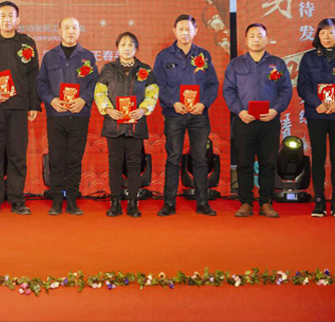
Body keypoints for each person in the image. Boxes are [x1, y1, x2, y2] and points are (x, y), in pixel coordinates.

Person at [0, 1, 41, 215]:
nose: (6, 19)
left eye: (11, 15)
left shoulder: (27, 43)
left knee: (17, 154)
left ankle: (17, 199)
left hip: (19, 107)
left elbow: (34, 75)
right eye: (2, 15)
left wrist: (34, 104)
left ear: (18, 20)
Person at [153, 15, 219, 217]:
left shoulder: (204, 55)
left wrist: (203, 103)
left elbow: (212, 85)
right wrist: (174, 102)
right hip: (174, 114)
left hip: (199, 115)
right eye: (181, 29)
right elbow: (158, 85)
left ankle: (202, 202)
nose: (184, 33)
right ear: (174, 31)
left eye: (188, 29)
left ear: (195, 31)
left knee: (200, 158)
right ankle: (169, 203)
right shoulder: (164, 57)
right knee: (173, 157)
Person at [223, 23, 292, 218]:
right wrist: (239, 111)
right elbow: (229, 90)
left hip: (269, 121)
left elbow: (286, 90)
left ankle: (266, 202)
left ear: (267, 39)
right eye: (252, 35)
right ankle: (245, 202)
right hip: (244, 121)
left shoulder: (277, 63)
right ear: (246, 40)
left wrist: (275, 110)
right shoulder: (236, 64)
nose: (256, 39)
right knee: (244, 163)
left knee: (268, 163)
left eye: (260, 35)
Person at [37, 17, 99, 215]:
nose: (70, 31)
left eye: (74, 28)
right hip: (56, 114)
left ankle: (72, 200)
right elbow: (41, 84)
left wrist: (83, 99)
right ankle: (56, 200)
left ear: (79, 31)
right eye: (66, 28)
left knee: (74, 159)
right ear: (59, 31)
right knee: (56, 158)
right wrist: (51, 100)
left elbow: (95, 84)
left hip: (79, 114)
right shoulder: (50, 57)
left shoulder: (87, 56)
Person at [94, 32, 159, 217]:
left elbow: (152, 92)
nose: (127, 48)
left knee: (134, 163)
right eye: (123, 45)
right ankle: (115, 202)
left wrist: (143, 109)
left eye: (130, 45)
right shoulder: (108, 68)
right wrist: (108, 109)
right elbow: (99, 92)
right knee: (115, 163)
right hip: (113, 123)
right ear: (117, 48)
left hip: (135, 123)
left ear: (136, 48)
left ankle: (132, 203)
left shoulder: (145, 69)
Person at [297, 17, 335, 218]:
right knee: (319, 157)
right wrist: (317, 104)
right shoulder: (309, 58)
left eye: (330, 32)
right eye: (322, 33)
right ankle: (319, 200)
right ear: (317, 35)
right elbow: (303, 86)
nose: (326, 36)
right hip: (317, 113)